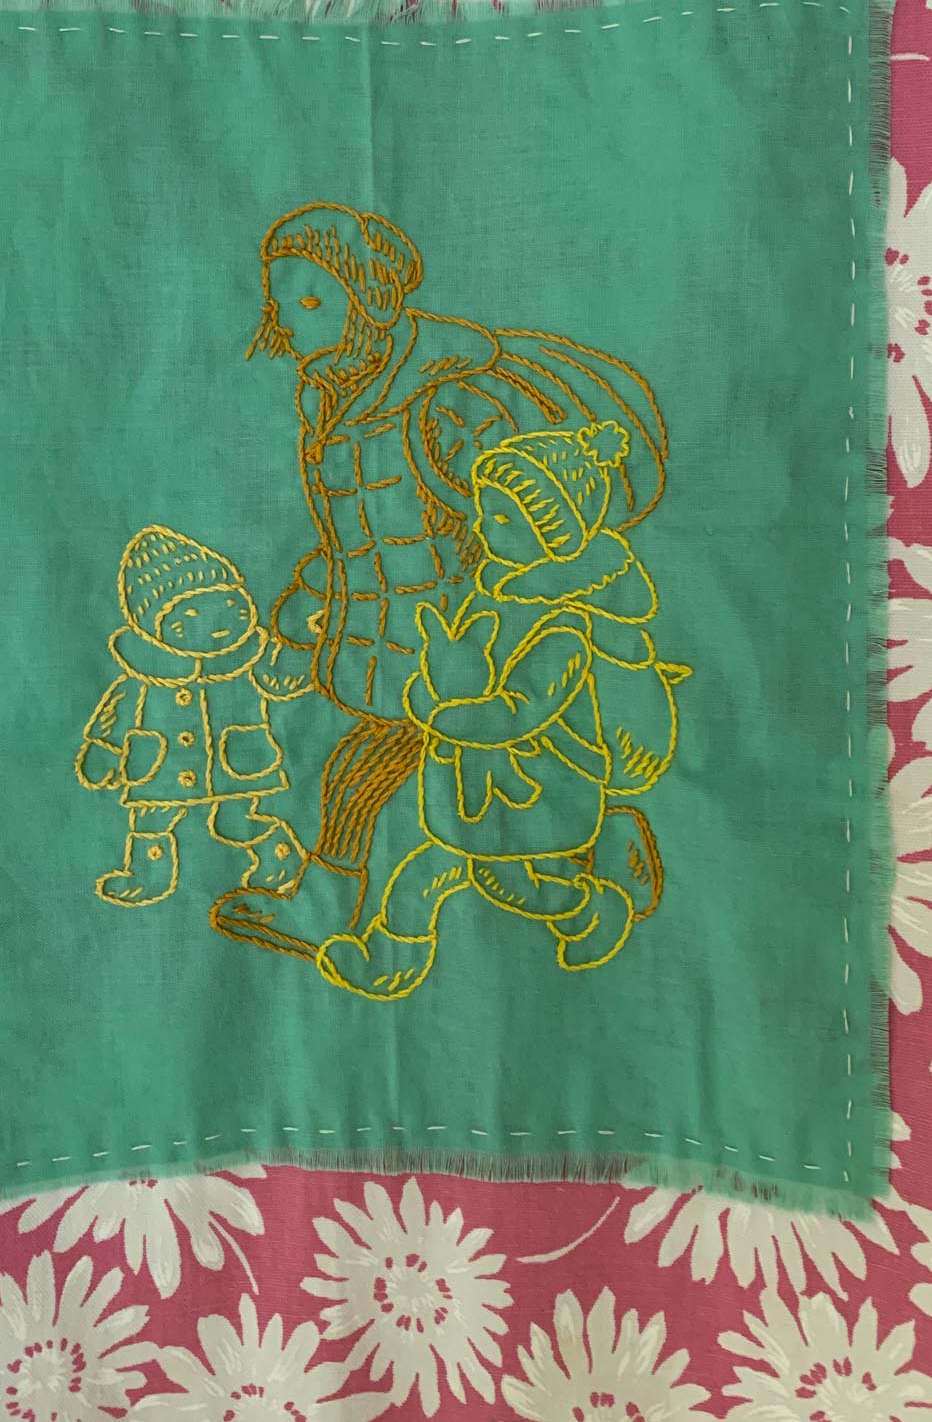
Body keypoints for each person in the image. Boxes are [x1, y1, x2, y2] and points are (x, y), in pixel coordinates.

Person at [211, 202, 669, 962]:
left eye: (313, 301)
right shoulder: (330, 401)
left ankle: (337, 907)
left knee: (382, 774)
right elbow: (348, 539)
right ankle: (597, 849)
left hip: (466, 642)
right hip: (392, 637)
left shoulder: (447, 407)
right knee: (467, 784)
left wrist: (515, 631)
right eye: (281, 302)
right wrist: (302, 621)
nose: (287, 320)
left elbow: (524, 525)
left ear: (368, 302)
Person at [317, 422, 689, 1000]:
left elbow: (522, 710)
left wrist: (439, 715)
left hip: (536, 788)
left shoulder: (566, 628)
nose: (483, 527)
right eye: (485, 513)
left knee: (503, 881)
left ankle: (591, 907)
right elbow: (451, 663)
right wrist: (427, 694)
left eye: (504, 519)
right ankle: (388, 961)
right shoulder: (494, 593)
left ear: (555, 536)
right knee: (423, 875)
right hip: (472, 786)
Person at [76, 525, 309, 910]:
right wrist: (104, 751)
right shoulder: (145, 671)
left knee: (234, 822)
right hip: (162, 766)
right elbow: (116, 713)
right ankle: (147, 877)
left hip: (233, 762)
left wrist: (307, 648)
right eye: (193, 613)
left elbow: (281, 680)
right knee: (152, 820)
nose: (220, 623)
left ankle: (280, 858)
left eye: (231, 605)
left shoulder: (248, 654)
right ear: (153, 627)